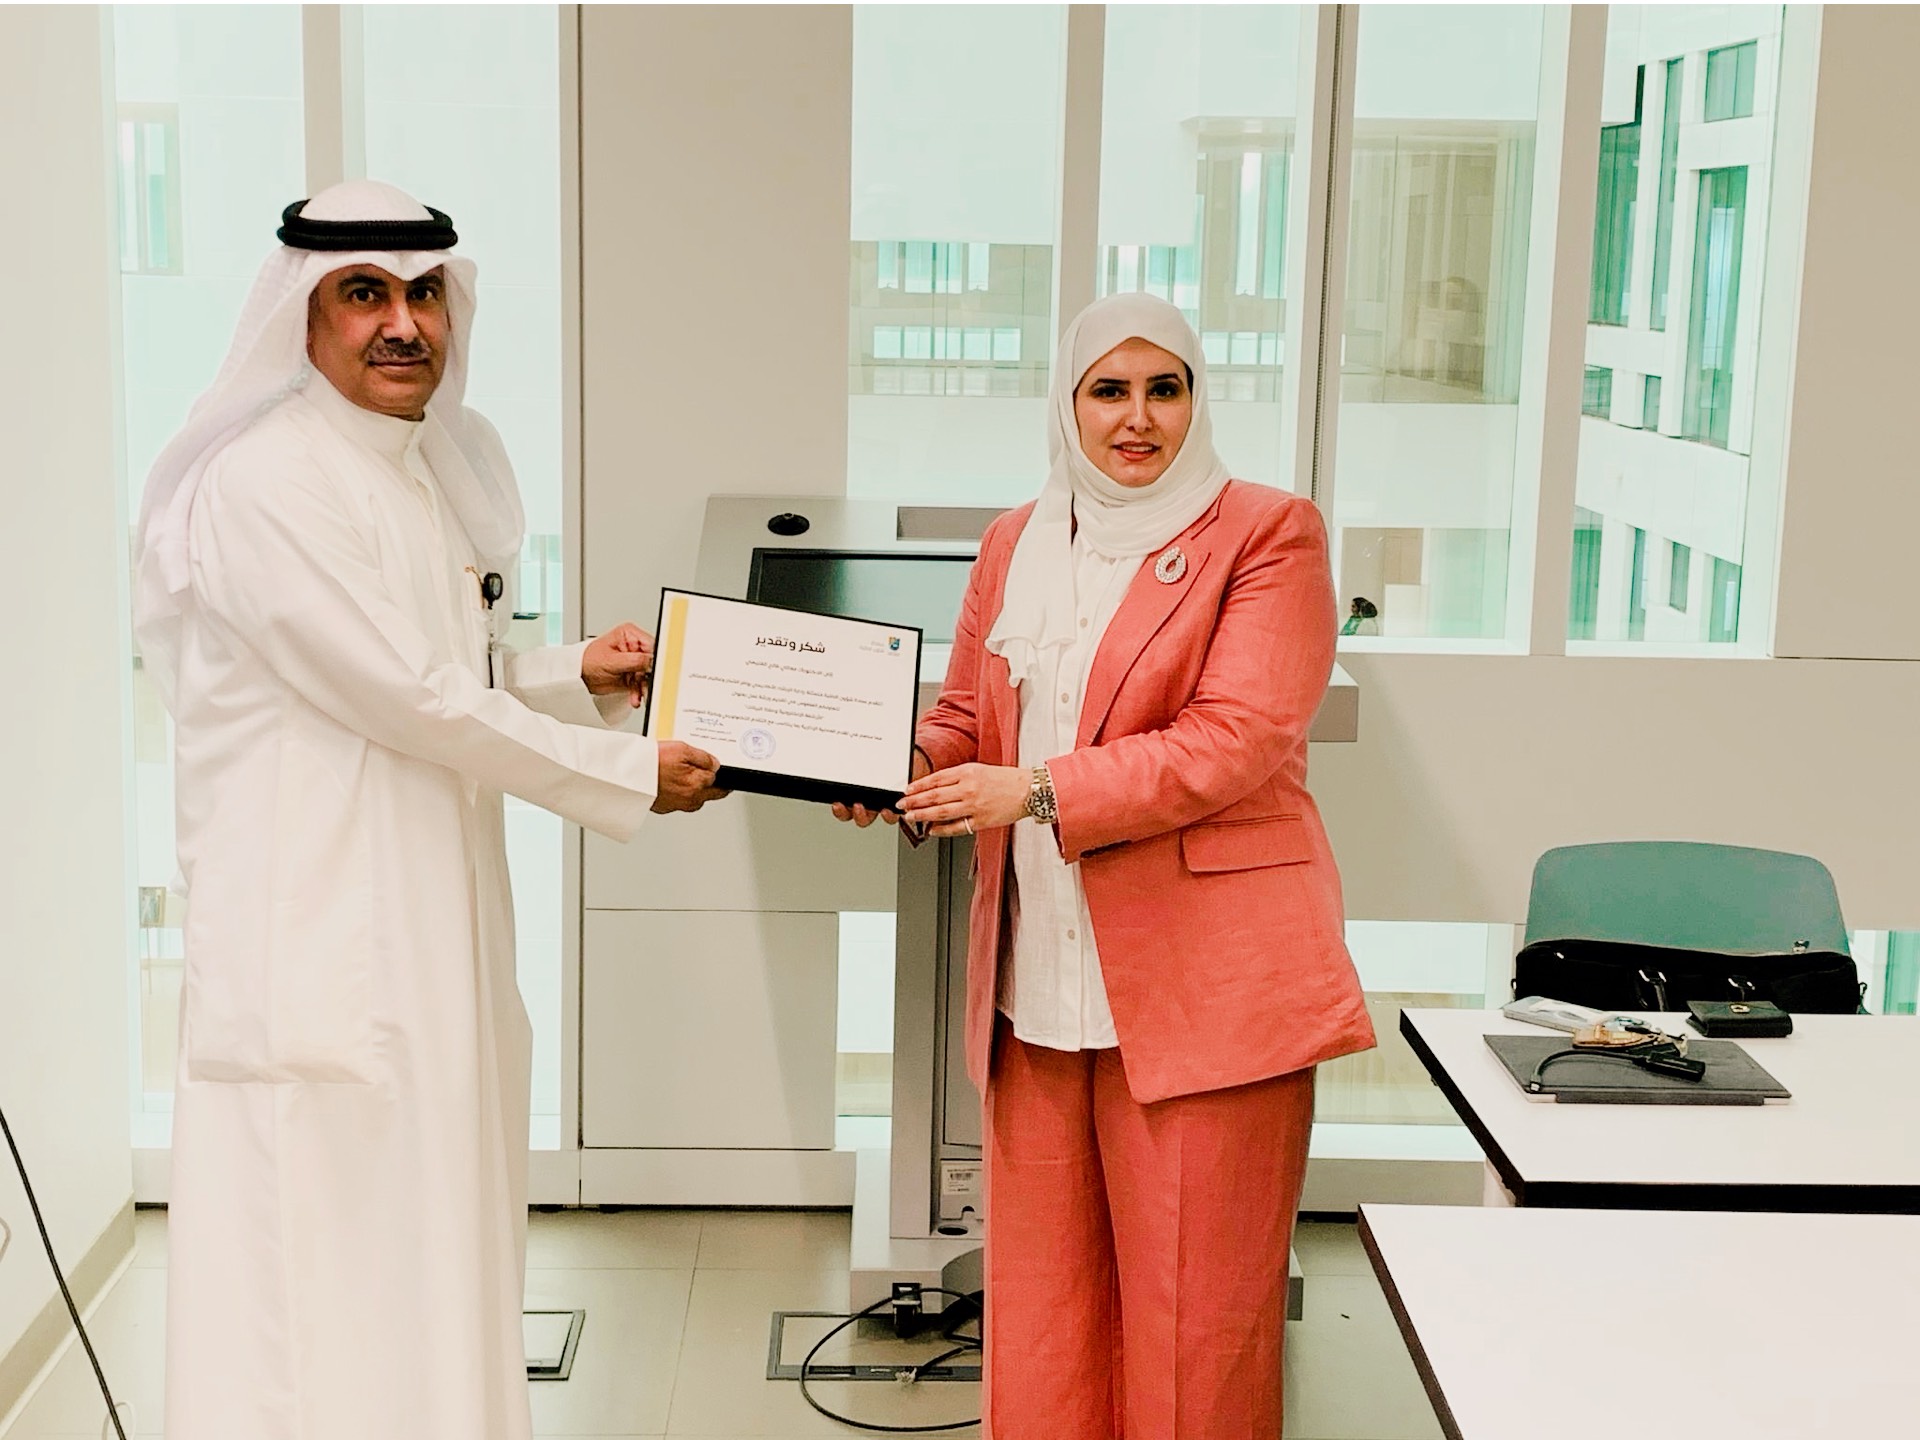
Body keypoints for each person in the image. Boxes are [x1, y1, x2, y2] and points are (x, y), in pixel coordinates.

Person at [132, 180, 726, 1440]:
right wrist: (627, 773)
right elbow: (406, 697)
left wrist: (576, 673)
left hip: (424, 944)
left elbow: (445, 675)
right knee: (316, 1302)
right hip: (321, 956)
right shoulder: (267, 482)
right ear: (302, 315)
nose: (404, 324)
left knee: (429, 1271)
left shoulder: (409, 476)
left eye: (424, 293)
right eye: (365, 294)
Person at [842, 292, 1375, 1438]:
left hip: (1204, 995)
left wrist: (1035, 790)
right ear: (1069, 404)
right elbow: (965, 713)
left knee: (1196, 1328)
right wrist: (894, 769)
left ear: (1196, 400)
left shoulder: (1268, 533)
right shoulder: (1016, 540)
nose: (1138, 418)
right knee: (1045, 1319)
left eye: (1163, 389)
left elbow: (1234, 741)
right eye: (1109, 391)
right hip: (1037, 988)